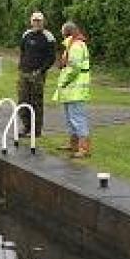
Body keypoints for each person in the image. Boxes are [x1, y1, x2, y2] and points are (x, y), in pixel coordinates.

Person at [53, 21, 91, 158]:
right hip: (71, 89)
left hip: (75, 89)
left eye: (62, 33)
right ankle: (73, 144)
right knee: (70, 118)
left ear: (66, 32)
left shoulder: (75, 46)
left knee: (77, 118)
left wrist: (64, 81)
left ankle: (83, 148)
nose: (61, 35)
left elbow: (74, 68)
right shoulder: (73, 44)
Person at [17, 11, 56, 137]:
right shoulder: (26, 34)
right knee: (23, 101)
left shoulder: (48, 36)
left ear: (43, 22)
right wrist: (21, 66)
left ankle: (36, 131)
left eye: (39, 20)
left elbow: (51, 58)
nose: (36, 23)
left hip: (38, 74)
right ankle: (26, 127)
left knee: (36, 102)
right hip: (24, 72)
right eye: (34, 20)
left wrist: (41, 71)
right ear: (31, 21)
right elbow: (22, 51)